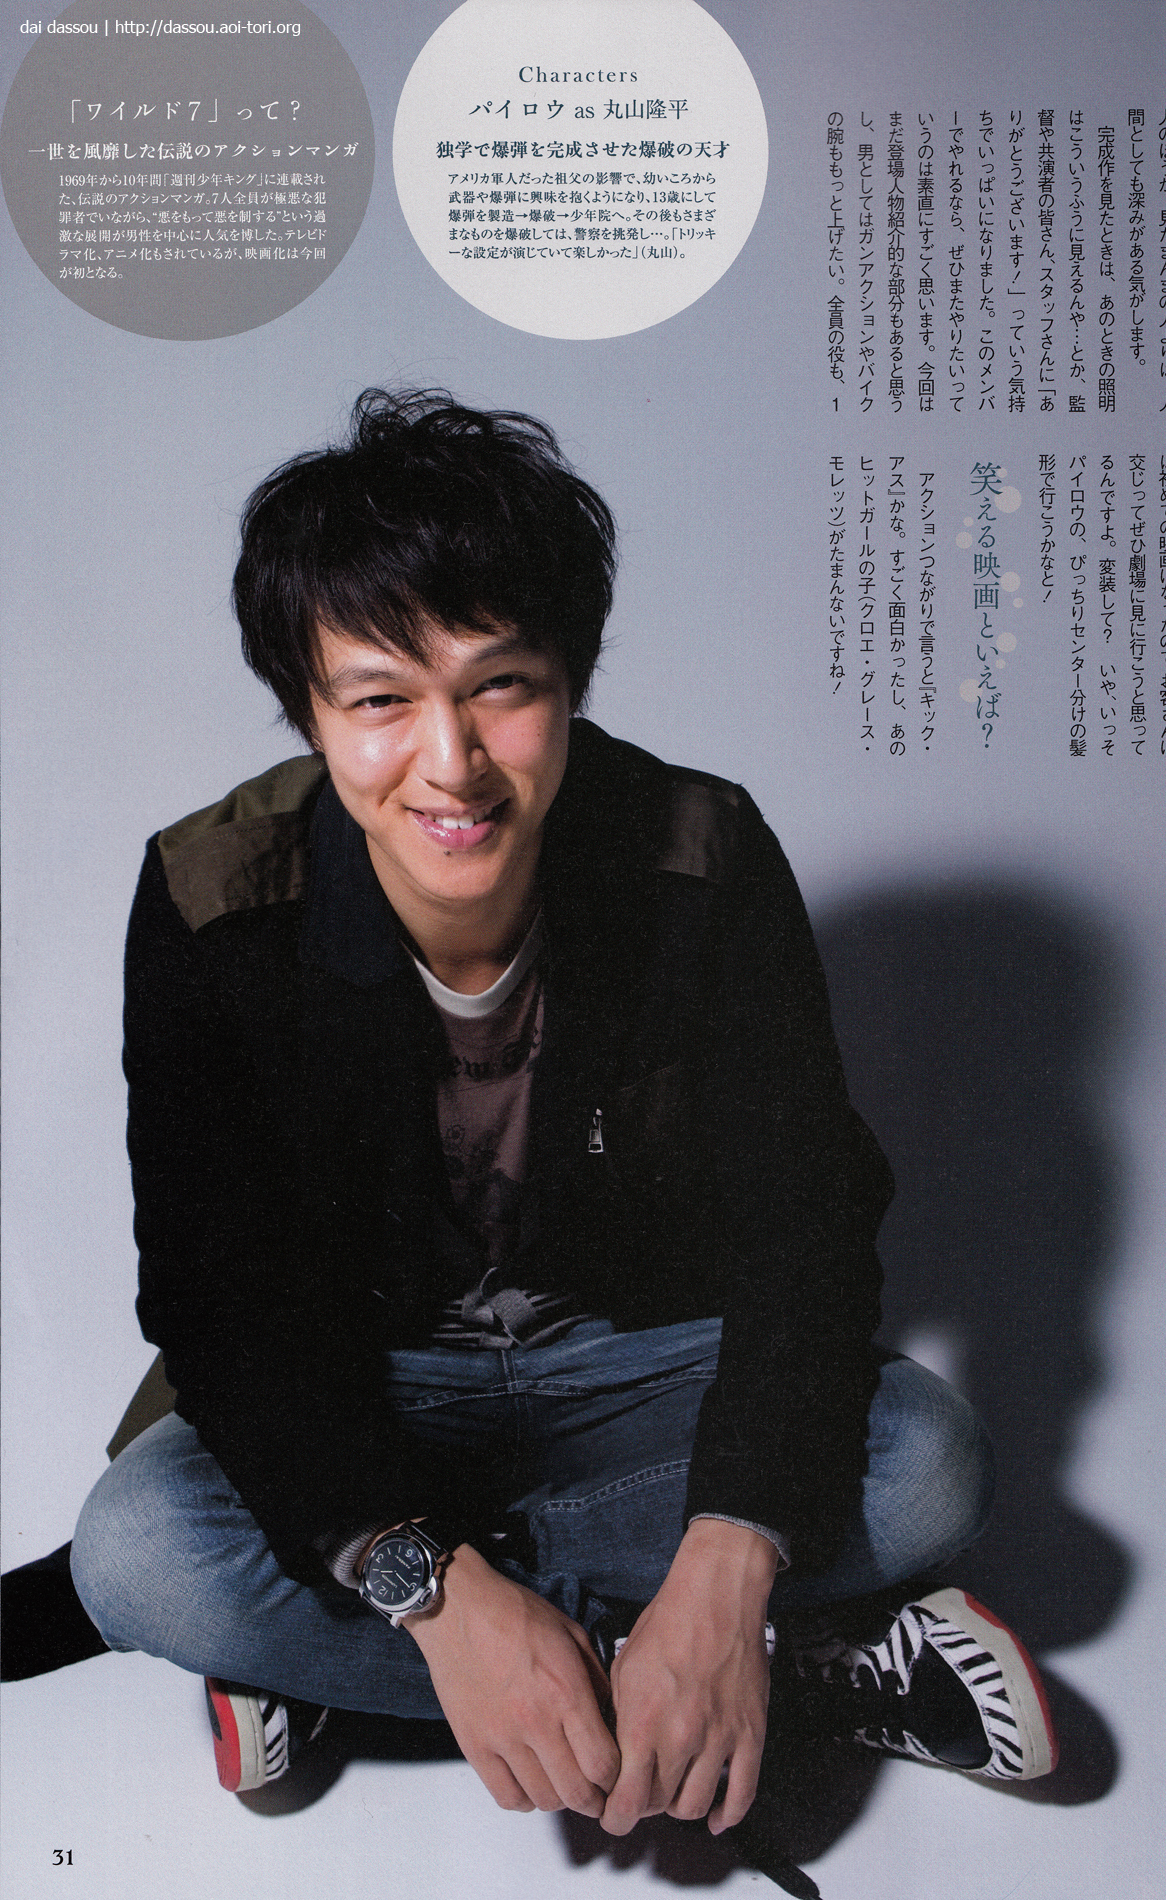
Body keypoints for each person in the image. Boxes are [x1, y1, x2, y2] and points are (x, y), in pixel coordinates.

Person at [70, 389, 1055, 1835]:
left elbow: (807, 1231)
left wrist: (725, 1559)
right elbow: (218, 1303)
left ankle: (339, 1665)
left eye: (501, 686)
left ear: (571, 681)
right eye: (381, 700)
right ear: (310, 712)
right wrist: (432, 1587)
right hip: (375, 1382)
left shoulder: (701, 856)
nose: (451, 762)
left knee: (931, 1465)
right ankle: (793, 1672)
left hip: (636, 1364)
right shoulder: (214, 901)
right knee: (139, 1555)